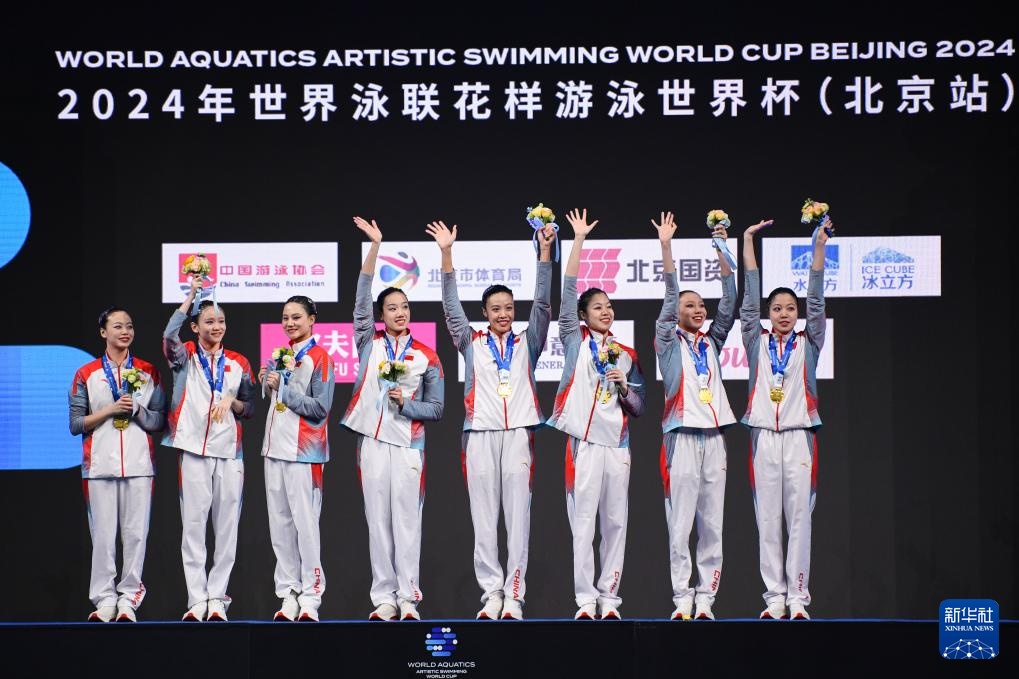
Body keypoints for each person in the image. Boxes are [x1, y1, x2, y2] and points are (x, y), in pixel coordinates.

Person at [426, 218, 553, 620]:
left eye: (509, 308)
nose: (503, 314)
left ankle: (514, 594)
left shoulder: (529, 341)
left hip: (518, 434)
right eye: (496, 309)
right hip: (479, 433)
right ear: (484, 312)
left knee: (518, 519)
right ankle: (491, 593)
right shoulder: (470, 341)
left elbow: (544, 304)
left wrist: (545, 252)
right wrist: (447, 253)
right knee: (483, 519)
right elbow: (450, 308)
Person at [341, 216, 444, 622]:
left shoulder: (426, 355)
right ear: (380, 314)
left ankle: (409, 598)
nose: (400, 313)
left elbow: (437, 409)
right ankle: (384, 597)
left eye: (404, 307)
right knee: (377, 522)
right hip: (371, 440)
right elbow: (360, 299)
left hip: (408, 445)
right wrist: (375, 247)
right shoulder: (369, 341)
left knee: (407, 521)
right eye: (392, 308)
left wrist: (407, 406)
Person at [546, 209, 646, 621]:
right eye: (597, 307)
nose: (605, 311)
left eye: (609, 306)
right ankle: (586, 599)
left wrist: (623, 387)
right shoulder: (574, 340)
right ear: (583, 315)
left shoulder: (627, 354)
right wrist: (578, 241)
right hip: (584, 445)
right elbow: (568, 290)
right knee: (583, 525)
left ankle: (610, 599)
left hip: (617, 446)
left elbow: (639, 407)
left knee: (616, 524)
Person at [741, 217, 830, 621]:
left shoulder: (810, 342)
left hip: (799, 437)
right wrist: (747, 242)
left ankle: (798, 598)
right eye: (776, 309)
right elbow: (748, 298)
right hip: (763, 436)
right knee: (767, 520)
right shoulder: (754, 341)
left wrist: (818, 249)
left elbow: (817, 300)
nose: (783, 314)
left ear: (798, 314)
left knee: (799, 520)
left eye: (790, 309)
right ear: (768, 313)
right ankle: (774, 597)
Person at [652, 211, 737, 621]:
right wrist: (666, 247)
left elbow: (730, 303)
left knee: (713, 525)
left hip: (714, 437)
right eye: (690, 304)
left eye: (701, 304)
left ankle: (706, 598)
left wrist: (722, 247)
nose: (699, 309)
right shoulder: (667, 342)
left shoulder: (712, 342)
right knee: (681, 524)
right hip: (681, 436)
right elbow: (670, 299)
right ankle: (682, 597)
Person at [162, 275, 255, 621]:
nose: (217, 327)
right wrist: (191, 295)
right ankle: (196, 599)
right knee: (193, 526)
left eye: (221, 321)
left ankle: (217, 598)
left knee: (227, 528)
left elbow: (250, 407)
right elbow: (168, 336)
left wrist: (232, 401)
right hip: (192, 449)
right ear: (195, 326)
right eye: (209, 322)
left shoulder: (239, 362)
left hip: (230, 453)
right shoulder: (184, 356)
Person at [69, 307, 166, 622]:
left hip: (140, 466)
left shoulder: (149, 372)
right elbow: (76, 424)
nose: (125, 331)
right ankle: (104, 599)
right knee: (103, 536)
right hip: (98, 466)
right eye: (118, 326)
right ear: (103, 332)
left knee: (136, 535)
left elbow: (159, 421)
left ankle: (129, 598)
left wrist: (137, 410)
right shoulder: (86, 374)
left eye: (129, 326)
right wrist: (110, 410)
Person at [259, 295, 335, 622]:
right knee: (279, 526)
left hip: (305, 453)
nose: (290, 323)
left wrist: (283, 389)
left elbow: (320, 408)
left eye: (296, 317)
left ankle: (311, 596)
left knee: (306, 526)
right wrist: (267, 382)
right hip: (273, 449)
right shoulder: (281, 355)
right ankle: (288, 592)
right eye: (285, 318)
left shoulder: (321, 358)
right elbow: (273, 399)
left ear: (312, 319)